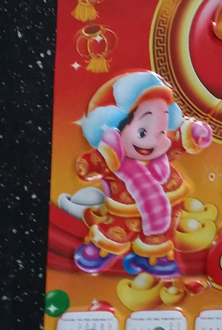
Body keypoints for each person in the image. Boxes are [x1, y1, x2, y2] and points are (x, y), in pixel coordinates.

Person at [74, 70, 212, 276]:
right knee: (117, 229)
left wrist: (193, 134)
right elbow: (92, 164)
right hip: (126, 207)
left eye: (161, 132)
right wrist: (86, 166)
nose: (153, 141)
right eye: (142, 132)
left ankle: (153, 255)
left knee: (163, 230)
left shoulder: (161, 152)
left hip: (169, 199)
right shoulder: (113, 157)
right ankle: (104, 247)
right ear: (117, 128)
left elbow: (178, 144)